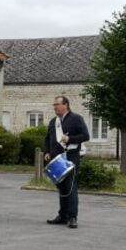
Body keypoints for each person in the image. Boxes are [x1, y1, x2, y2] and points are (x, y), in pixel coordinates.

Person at [44, 95, 90, 229]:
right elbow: (48, 138)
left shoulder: (76, 119)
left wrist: (70, 139)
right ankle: (63, 215)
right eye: (54, 105)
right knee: (62, 187)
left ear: (66, 105)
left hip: (71, 157)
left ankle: (72, 217)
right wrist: (47, 151)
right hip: (57, 158)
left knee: (71, 187)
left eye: (57, 104)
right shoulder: (54, 121)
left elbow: (85, 136)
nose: (55, 107)